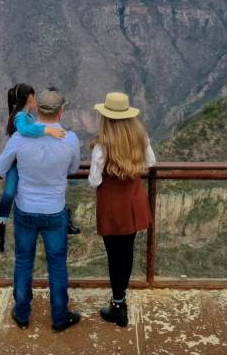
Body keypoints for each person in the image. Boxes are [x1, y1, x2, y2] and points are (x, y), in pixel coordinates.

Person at [0, 88, 82, 332]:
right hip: (55, 210)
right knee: (57, 264)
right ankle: (59, 318)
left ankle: (22, 314)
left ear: (37, 108)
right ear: (61, 110)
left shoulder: (19, 138)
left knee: (23, 261)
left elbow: (0, 169)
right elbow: (73, 169)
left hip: (25, 209)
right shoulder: (70, 138)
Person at [88, 91, 156, 328]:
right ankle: (121, 299)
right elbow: (151, 163)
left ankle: (118, 306)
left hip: (111, 206)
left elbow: (94, 180)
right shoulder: (141, 136)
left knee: (114, 255)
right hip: (134, 201)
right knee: (127, 252)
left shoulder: (102, 146)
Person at [0, 84, 80, 252]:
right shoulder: (20, 117)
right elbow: (25, 131)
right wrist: (48, 129)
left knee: (53, 179)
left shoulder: (27, 116)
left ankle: (67, 219)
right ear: (30, 99)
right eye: (35, 96)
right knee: (9, 193)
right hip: (17, 165)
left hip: (25, 164)